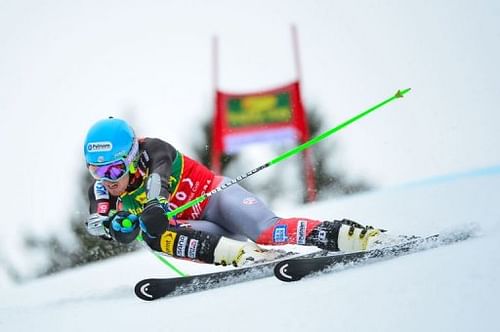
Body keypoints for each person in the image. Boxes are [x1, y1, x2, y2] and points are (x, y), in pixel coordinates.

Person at [84, 117, 383, 267]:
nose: (108, 179)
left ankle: (348, 235)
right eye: (97, 170)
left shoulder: (154, 150)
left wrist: (154, 204)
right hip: (201, 229)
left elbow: (159, 177)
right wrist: (116, 228)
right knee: (153, 236)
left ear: (133, 156)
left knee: (267, 230)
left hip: (216, 199)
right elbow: (101, 222)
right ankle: (243, 256)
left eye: (114, 169)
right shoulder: (102, 191)